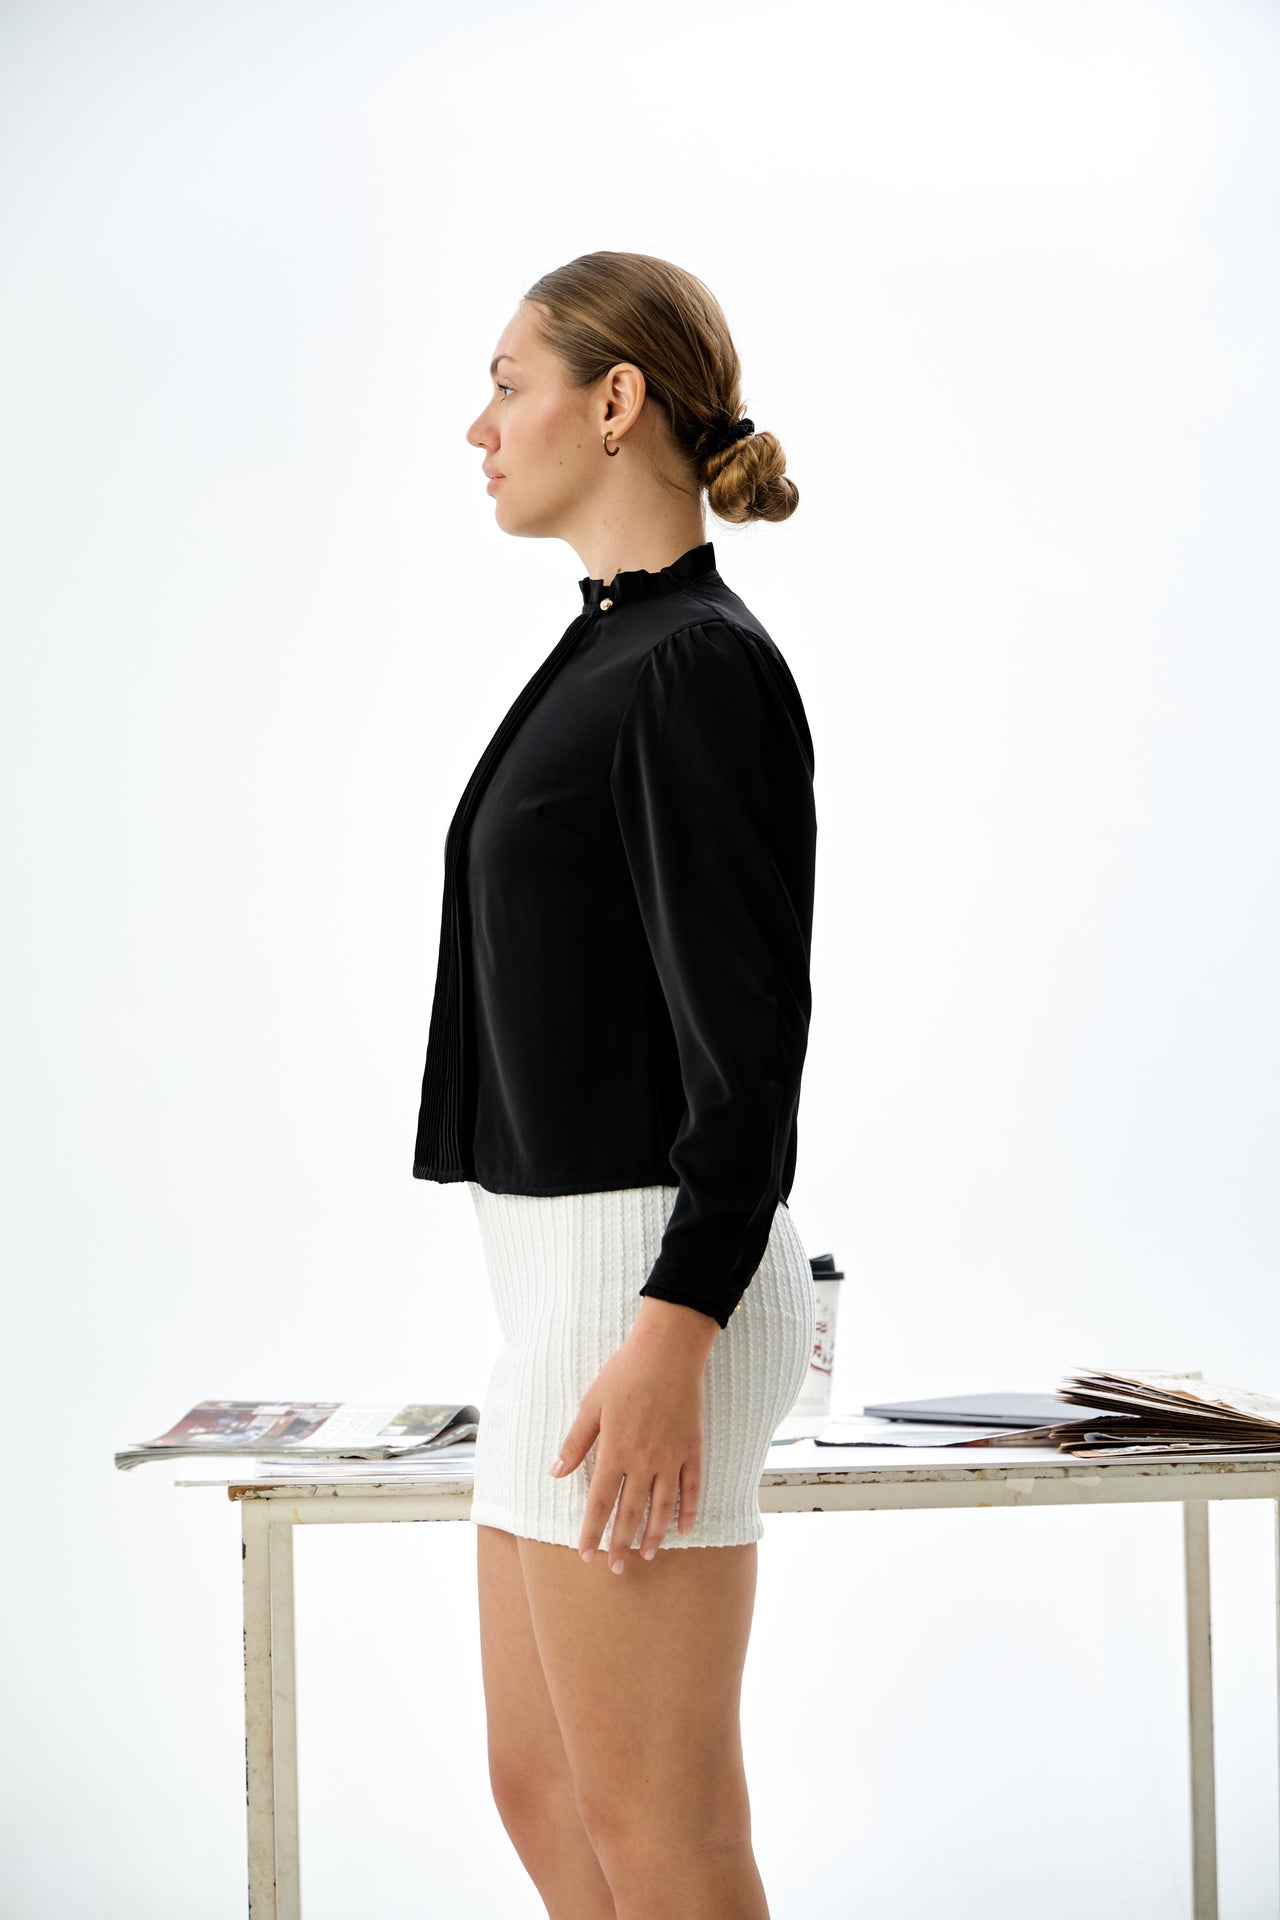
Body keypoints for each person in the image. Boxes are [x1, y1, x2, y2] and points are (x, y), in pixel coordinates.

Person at [412, 250, 818, 1920]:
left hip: (647, 1289)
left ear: (617, 400)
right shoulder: (611, 649)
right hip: (563, 1294)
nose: (480, 428)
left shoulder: (694, 667)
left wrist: (676, 1326)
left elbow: (752, 1044)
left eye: (509, 385)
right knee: (546, 1799)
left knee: (662, 1830)